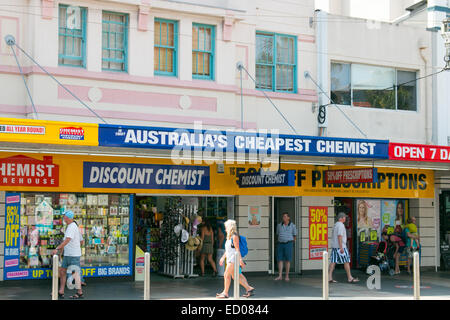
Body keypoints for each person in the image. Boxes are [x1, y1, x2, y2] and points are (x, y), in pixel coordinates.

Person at [216, 219, 255, 299]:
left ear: (230, 227)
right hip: (230, 259)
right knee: (236, 276)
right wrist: (223, 258)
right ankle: (249, 288)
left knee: (226, 274)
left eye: (226, 227)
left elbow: (237, 249)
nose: (225, 229)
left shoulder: (234, 236)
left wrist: (240, 260)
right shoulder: (229, 237)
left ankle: (225, 293)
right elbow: (228, 250)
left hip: (233, 260)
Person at [51, 210, 84, 299]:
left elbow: (67, 240)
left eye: (64, 217)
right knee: (62, 271)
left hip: (73, 254)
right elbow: (66, 241)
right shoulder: (69, 226)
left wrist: (57, 248)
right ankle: (61, 291)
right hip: (68, 254)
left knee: (74, 273)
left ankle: (79, 292)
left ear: (68, 218)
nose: (63, 218)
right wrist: (61, 252)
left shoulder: (72, 227)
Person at [329, 212, 359, 283]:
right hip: (341, 247)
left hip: (334, 246)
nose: (345, 218)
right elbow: (340, 236)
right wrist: (341, 247)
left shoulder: (335, 225)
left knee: (333, 262)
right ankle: (350, 278)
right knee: (346, 262)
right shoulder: (341, 225)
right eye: (344, 217)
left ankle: (329, 277)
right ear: (341, 218)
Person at [275, 212, 297, 281]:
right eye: (283, 216)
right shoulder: (279, 225)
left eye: (285, 216)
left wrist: (292, 243)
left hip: (288, 243)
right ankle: (280, 276)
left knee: (288, 260)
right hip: (280, 243)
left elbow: (295, 235)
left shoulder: (293, 226)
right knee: (280, 260)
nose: (283, 218)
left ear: (288, 218)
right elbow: (278, 234)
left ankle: (287, 276)